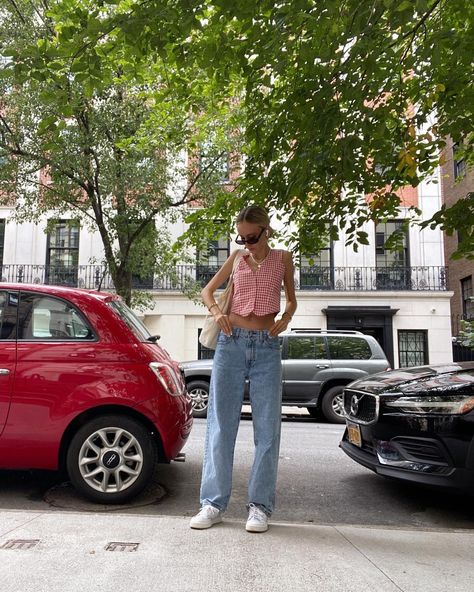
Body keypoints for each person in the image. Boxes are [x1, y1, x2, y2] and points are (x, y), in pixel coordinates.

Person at [190, 205, 297, 533]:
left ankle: (260, 507)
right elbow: (207, 290)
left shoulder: (283, 259)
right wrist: (217, 313)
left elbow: (292, 299)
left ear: (267, 230)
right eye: (242, 237)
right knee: (221, 425)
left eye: (252, 236)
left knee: (267, 429)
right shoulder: (237, 258)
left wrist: (286, 318)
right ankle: (213, 504)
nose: (247, 242)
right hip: (231, 342)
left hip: (267, 346)